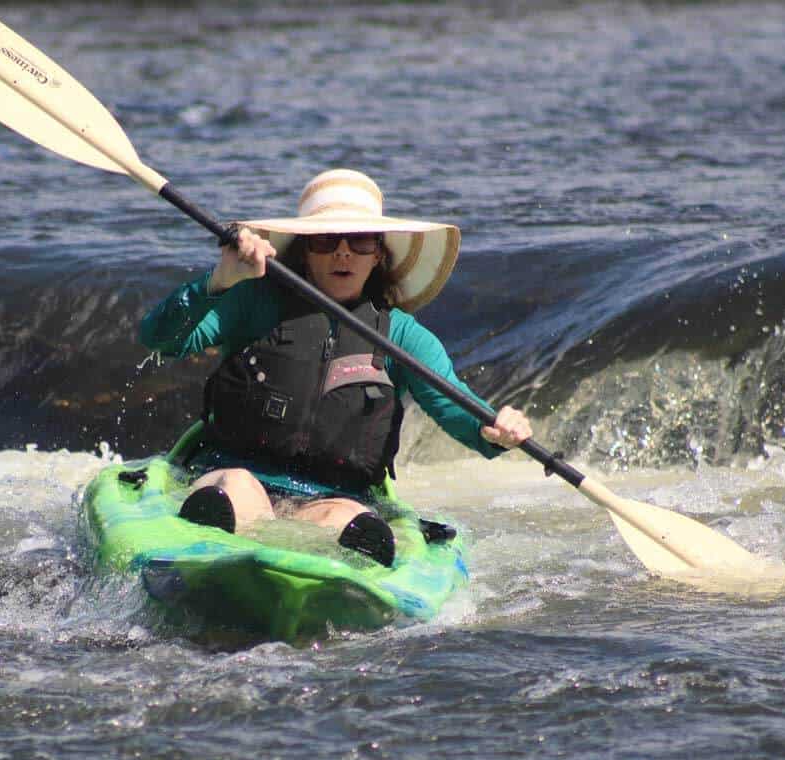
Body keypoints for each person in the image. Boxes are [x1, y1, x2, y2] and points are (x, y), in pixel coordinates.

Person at [140, 169, 532, 566]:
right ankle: (213, 551)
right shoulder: (252, 302)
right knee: (236, 491)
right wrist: (219, 281)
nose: (343, 253)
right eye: (327, 240)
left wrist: (496, 430)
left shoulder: (402, 335)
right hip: (236, 471)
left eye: (359, 241)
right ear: (307, 250)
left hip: (333, 497)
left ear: (378, 253)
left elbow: (453, 404)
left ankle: (339, 571)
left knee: (348, 519)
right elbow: (161, 338)